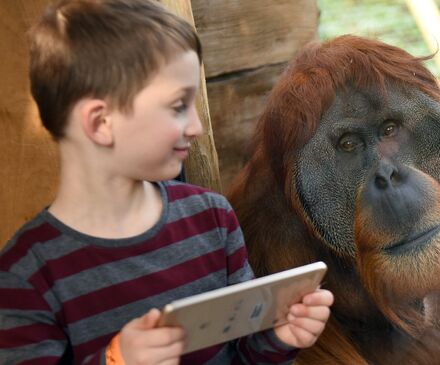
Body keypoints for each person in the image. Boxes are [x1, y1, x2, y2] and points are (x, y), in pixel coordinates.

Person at [0, 0, 334, 364]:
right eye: (178, 106)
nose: (197, 127)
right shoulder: (24, 276)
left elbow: (242, 353)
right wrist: (117, 360)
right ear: (100, 123)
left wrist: (281, 337)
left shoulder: (212, 218)